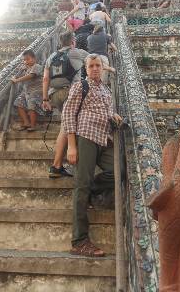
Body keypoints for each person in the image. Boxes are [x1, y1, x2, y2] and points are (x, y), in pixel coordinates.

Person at [62, 54, 122, 257]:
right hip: (86, 136)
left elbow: (107, 112)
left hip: (104, 139)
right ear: (86, 69)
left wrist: (113, 116)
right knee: (81, 184)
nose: (95, 69)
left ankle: (91, 190)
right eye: (91, 66)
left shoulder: (106, 90)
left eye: (98, 66)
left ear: (103, 68)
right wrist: (71, 145)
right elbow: (68, 113)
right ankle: (79, 241)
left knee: (119, 171)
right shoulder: (80, 86)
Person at [42, 31, 88, 177]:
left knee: (66, 124)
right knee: (66, 127)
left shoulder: (51, 57)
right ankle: (56, 165)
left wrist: (45, 100)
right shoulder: (78, 53)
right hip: (71, 92)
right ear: (73, 41)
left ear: (61, 42)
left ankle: (58, 165)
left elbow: (45, 79)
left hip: (55, 95)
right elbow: (96, 63)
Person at [12, 49, 44, 132]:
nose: (26, 61)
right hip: (27, 91)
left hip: (36, 91)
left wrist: (17, 80)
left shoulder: (37, 67)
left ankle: (33, 125)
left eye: (28, 59)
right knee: (18, 102)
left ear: (34, 58)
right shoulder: (26, 69)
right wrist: (20, 70)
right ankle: (26, 122)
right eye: (24, 60)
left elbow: (31, 76)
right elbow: (16, 75)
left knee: (31, 103)